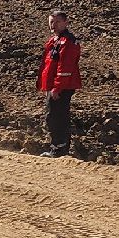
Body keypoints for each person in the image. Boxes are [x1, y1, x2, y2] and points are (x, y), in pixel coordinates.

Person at [37, 10, 82, 157]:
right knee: (54, 115)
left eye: (57, 22)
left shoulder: (67, 42)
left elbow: (65, 68)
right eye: (51, 22)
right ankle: (58, 147)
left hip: (62, 86)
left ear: (65, 22)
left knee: (56, 116)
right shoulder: (55, 41)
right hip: (55, 86)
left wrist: (56, 87)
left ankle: (59, 149)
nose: (53, 25)